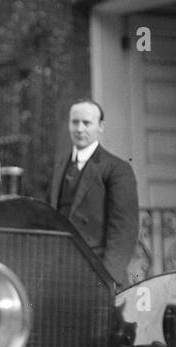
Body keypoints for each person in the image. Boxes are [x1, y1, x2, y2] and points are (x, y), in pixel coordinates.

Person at [47, 98, 140, 283]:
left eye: (86, 123)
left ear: (101, 126)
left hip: (96, 272)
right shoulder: (60, 164)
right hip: (61, 271)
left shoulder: (117, 169)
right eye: (75, 122)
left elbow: (123, 231)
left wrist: (107, 278)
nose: (79, 129)